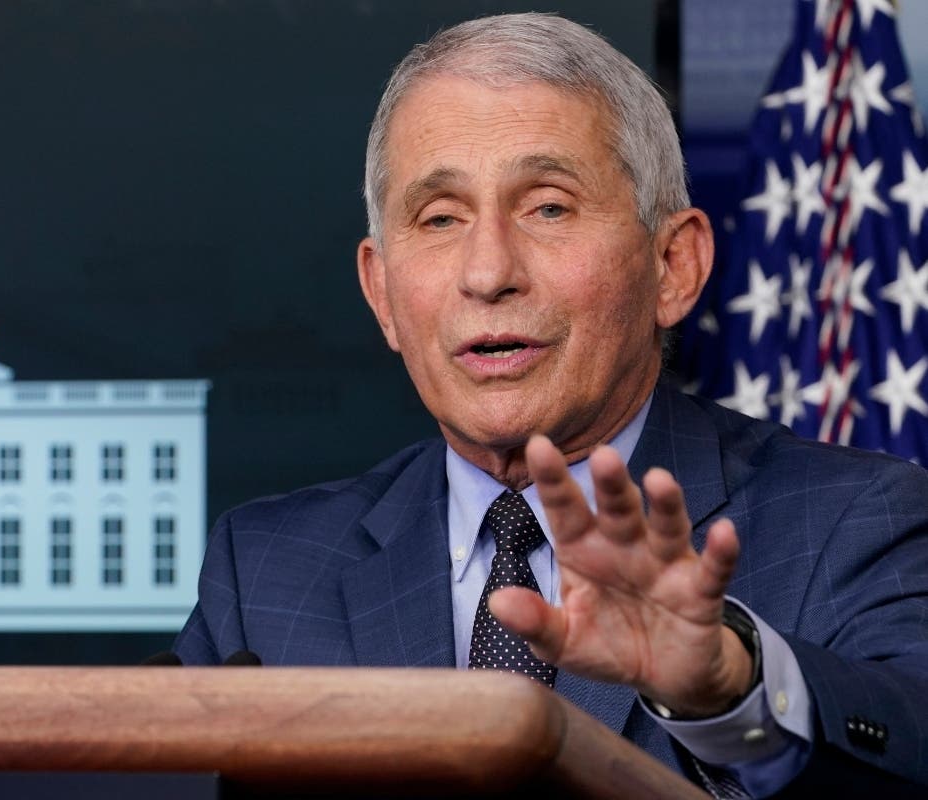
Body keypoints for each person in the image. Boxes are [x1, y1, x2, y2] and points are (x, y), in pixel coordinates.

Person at [174, 12, 928, 797]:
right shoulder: (263, 570)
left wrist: (724, 689)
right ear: (382, 294)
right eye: (440, 218)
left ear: (672, 266)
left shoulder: (855, 522)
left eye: (548, 207)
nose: (488, 271)